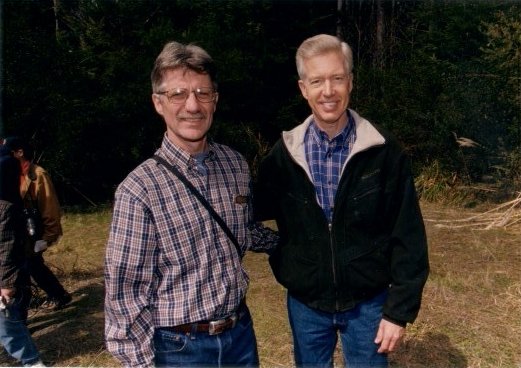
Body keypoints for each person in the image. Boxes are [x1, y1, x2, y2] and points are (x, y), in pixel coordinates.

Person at [254, 34, 429, 367]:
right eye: (317, 81)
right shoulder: (283, 156)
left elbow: (408, 235)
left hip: (368, 303)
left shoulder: (383, 151)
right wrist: (283, 250)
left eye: (336, 78)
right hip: (307, 305)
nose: (328, 91)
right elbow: (250, 212)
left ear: (350, 82)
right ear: (303, 88)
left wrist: (398, 311)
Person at [104, 41, 278, 367]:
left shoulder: (235, 164)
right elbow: (125, 292)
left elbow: (243, 229)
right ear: (158, 103)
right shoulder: (139, 190)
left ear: (215, 100)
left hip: (240, 335)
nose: (192, 106)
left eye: (203, 93)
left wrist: (295, 244)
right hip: (179, 349)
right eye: (178, 94)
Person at [1, 137, 72, 311]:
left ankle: (56, 295)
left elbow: (50, 209)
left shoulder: (37, 174)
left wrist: (48, 237)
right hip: (16, 231)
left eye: (8, 152)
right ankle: (27, 299)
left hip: (32, 234)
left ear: (20, 152)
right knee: (27, 267)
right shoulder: (9, 174)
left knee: (31, 266)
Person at [0, 146, 45, 366]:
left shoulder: (5, 209)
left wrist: (7, 284)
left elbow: (6, 248)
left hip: (4, 274)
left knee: (7, 322)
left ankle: (32, 362)